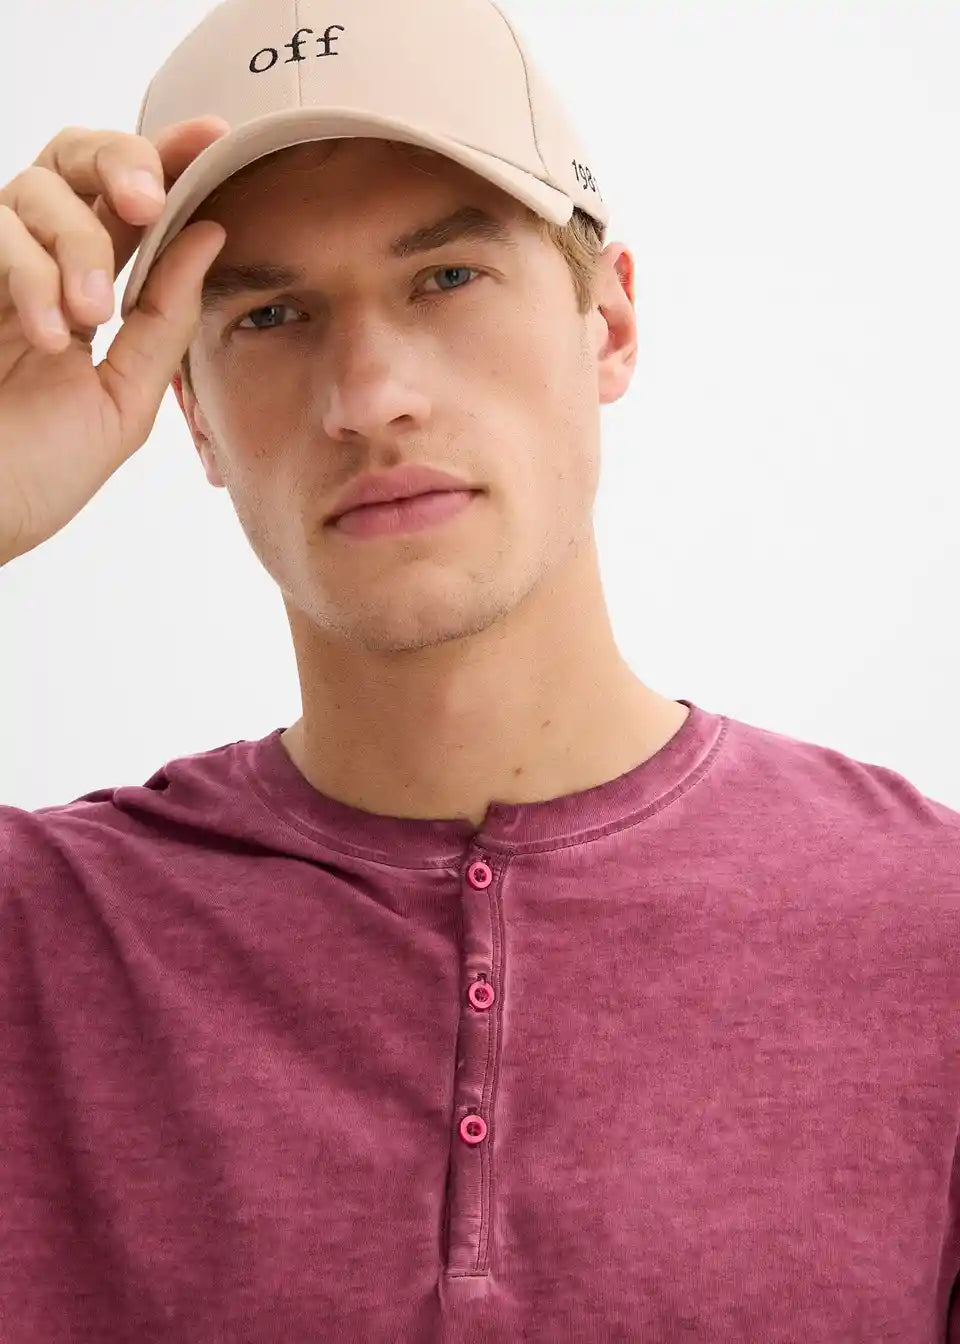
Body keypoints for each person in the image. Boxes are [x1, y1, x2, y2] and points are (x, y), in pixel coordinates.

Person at [0, 0, 957, 1340]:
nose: (368, 395)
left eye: (445, 278)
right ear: (192, 415)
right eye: (271, 313)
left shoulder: (929, 935)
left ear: (609, 321)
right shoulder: (37, 942)